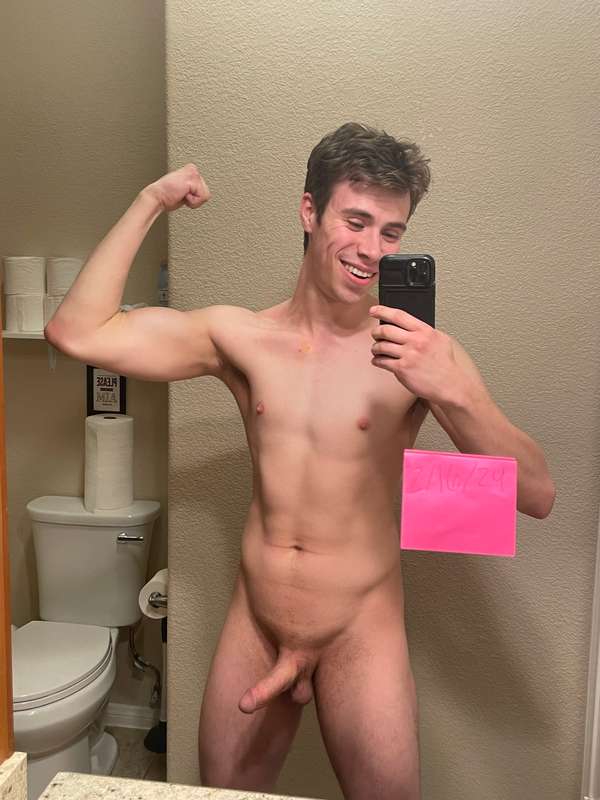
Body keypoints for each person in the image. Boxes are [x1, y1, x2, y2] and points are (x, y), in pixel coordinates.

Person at [46, 122, 556, 800]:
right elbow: (76, 331)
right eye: (356, 221)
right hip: (255, 620)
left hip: (362, 628)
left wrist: (454, 390)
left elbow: (536, 495)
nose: (372, 249)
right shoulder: (241, 337)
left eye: (392, 232)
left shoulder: (420, 353)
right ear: (310, 211)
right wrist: (151, 200)